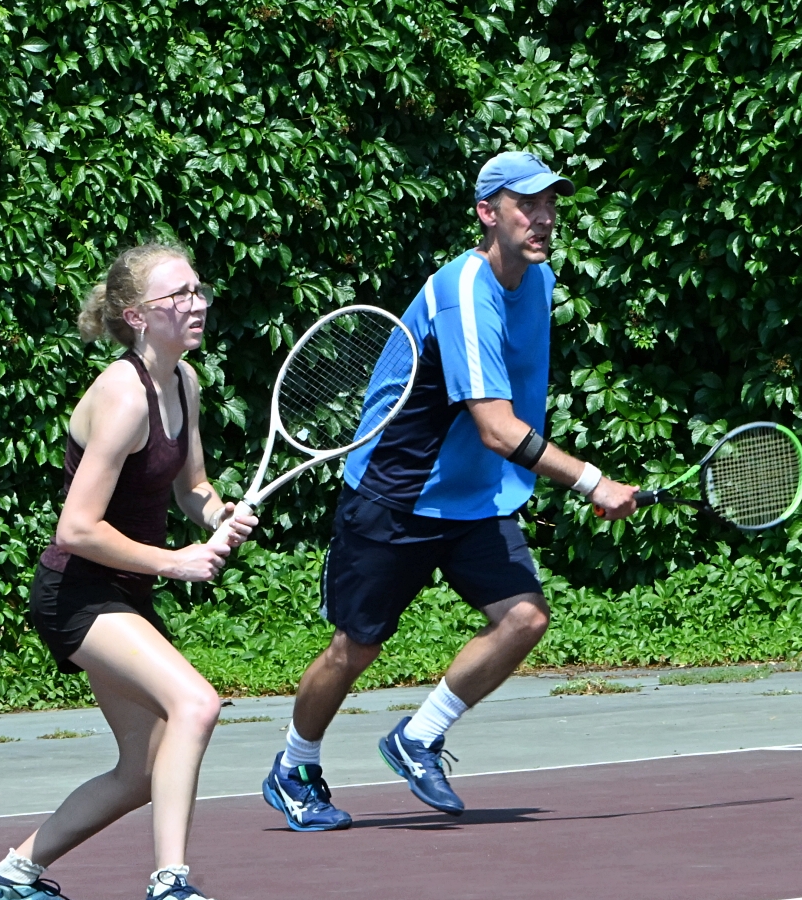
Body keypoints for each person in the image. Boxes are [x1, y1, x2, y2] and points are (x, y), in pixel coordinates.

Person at [261, 152, 640, 831]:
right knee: (356, 648)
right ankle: (295, 766)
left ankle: (418, 736)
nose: (544, 216)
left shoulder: (541, 281)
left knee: (524, 619)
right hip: (396, 494)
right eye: (527, 204)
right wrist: (592, 481)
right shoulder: (462, 290)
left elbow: (510, 405)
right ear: (487, 213)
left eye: (551, 203)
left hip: (474, 500)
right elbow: (496, 426)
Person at [0, 242, 256, 900]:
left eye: (197, 289)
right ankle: (169, 887)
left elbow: (194, 487)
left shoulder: (183, 382)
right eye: (177, 296)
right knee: (196, 704)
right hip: (78, 593)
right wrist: (176, 561)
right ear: (137, 316)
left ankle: (12, 876)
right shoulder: (123, 395)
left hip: (122, 595)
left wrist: (219, 514)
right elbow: (77, 529)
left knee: (144, 770)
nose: (196, 303)